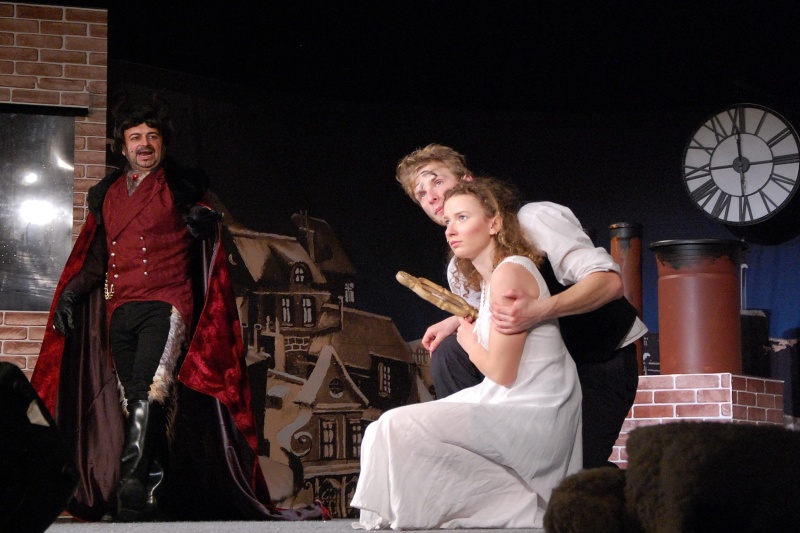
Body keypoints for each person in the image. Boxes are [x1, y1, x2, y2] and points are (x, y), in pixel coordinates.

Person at [30, 97, 325, 523]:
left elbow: (202, 221)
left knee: (149, 388)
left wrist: (202, 224)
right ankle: (152, 496)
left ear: (163, 144)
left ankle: (130, 490)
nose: (144, 144)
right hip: (121, 309)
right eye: (136, 137)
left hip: (167, 304)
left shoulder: (180, 187)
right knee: (135, 396)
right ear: (123, 147)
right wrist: (71, 295)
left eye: (152, 136)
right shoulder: (108, 194)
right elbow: (96, 260)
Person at [395, 143, 647, 469]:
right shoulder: (459, 268)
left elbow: (609, 283)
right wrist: (457, 321)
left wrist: (540, 310)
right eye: (420, 194)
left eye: (437, 181)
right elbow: (494, 319)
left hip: (598, 359)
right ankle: (476, 459)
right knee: (450, 353)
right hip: (538, 374)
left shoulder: (535, 219)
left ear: (468, 181)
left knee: (571, 474)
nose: (430, 196)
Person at [351, 177, 582, 529]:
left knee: (397, 427)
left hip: (533, 407)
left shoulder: (510, 274)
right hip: (510, 398)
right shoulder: (491, 281)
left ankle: (430, 516)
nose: (450, 230)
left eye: (462, 218)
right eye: (448, 221)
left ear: (494, 223)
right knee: (382, 428)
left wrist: (468, 339)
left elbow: (502, 372)